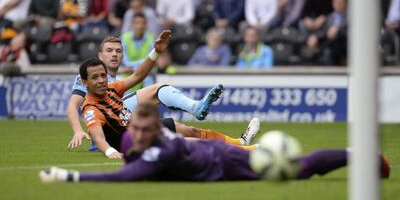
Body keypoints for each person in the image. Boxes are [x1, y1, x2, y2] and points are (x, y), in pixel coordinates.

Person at [39, 104, 390, 183]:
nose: (141, 134)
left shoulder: (166, 148)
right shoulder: (134, 136)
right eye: (140, 129)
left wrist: (71, 177)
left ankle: (357, 154)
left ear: (157, 131)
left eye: (149, 129)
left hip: (226, 163)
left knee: (298, 171)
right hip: (210, 156)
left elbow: (126, 177)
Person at [66, 32, 259, 155]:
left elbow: (138, 75)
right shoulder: (91, 78)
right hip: (111, 131)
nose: (114, 54)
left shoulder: (114, 86)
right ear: (100, 56)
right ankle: (243, 149)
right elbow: (73, 105)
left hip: (125, 120)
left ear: (123, 56)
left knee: (185, 128)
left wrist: (156, 52)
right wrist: (78, 131)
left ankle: (239, 142)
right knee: (181, 138)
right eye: (109, 51)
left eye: (118, 51)